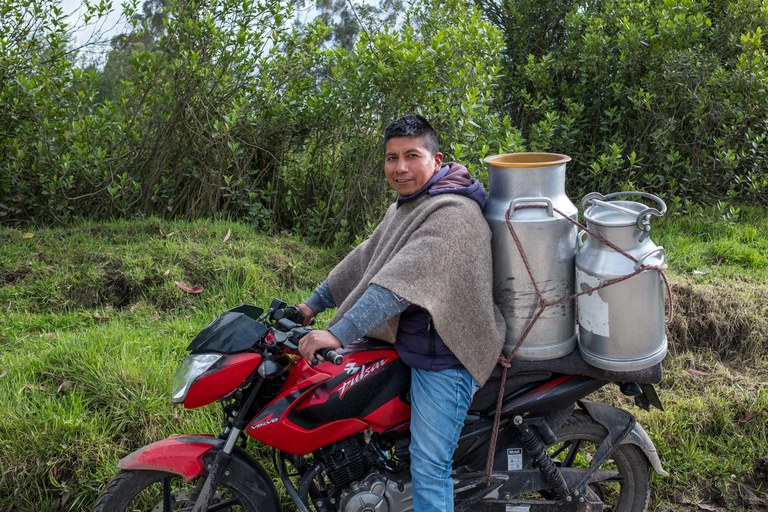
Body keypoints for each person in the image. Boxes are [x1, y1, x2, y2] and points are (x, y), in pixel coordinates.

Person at [295, 114, 505, 512]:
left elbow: (395, 287)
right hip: (409, 344)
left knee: (429, 467)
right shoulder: (410, 204)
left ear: (436, 159)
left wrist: (338, 332)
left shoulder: (452, 214)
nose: (400, 168)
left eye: (411, 155)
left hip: (445, 353)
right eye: (392, 158)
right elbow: (366, 258)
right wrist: (311, 304)